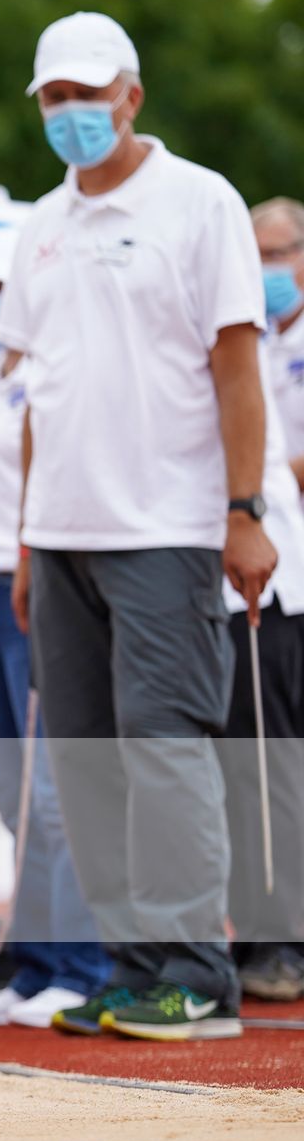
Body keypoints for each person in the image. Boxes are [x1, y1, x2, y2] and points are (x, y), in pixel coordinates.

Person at [0, 12, 276, 1041]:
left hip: (165, 523)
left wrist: (242, 512)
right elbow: (40, 396)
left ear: (132, 95)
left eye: (88, 94)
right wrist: (27, 539)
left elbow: (237, 368)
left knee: (162, 749)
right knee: (84, 759)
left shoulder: (200, 202)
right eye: (54, 98)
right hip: (62, 534)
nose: (72, 113)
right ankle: (134, 967)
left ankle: (195, 972)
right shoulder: (41, 226)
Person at [0, 263, 107, 1028]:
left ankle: (83, 965)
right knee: (15, 798)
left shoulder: (49, 370)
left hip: (28, 586)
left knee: (52, 793)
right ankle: (38, 963)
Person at [212, 258, 304, 1002]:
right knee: (242, 767)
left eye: (280, 250)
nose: (267, 267)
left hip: (269, 582)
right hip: (227, 583)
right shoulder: (247, 342)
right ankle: (260, 931)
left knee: (269, 767)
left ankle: (282, 938)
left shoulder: (272, 355)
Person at [252, 197, 304, 492]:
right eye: (254, 256)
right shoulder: (250, 334)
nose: (261, 269)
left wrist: (265, 490)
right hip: (262, 520)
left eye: (273, 255)